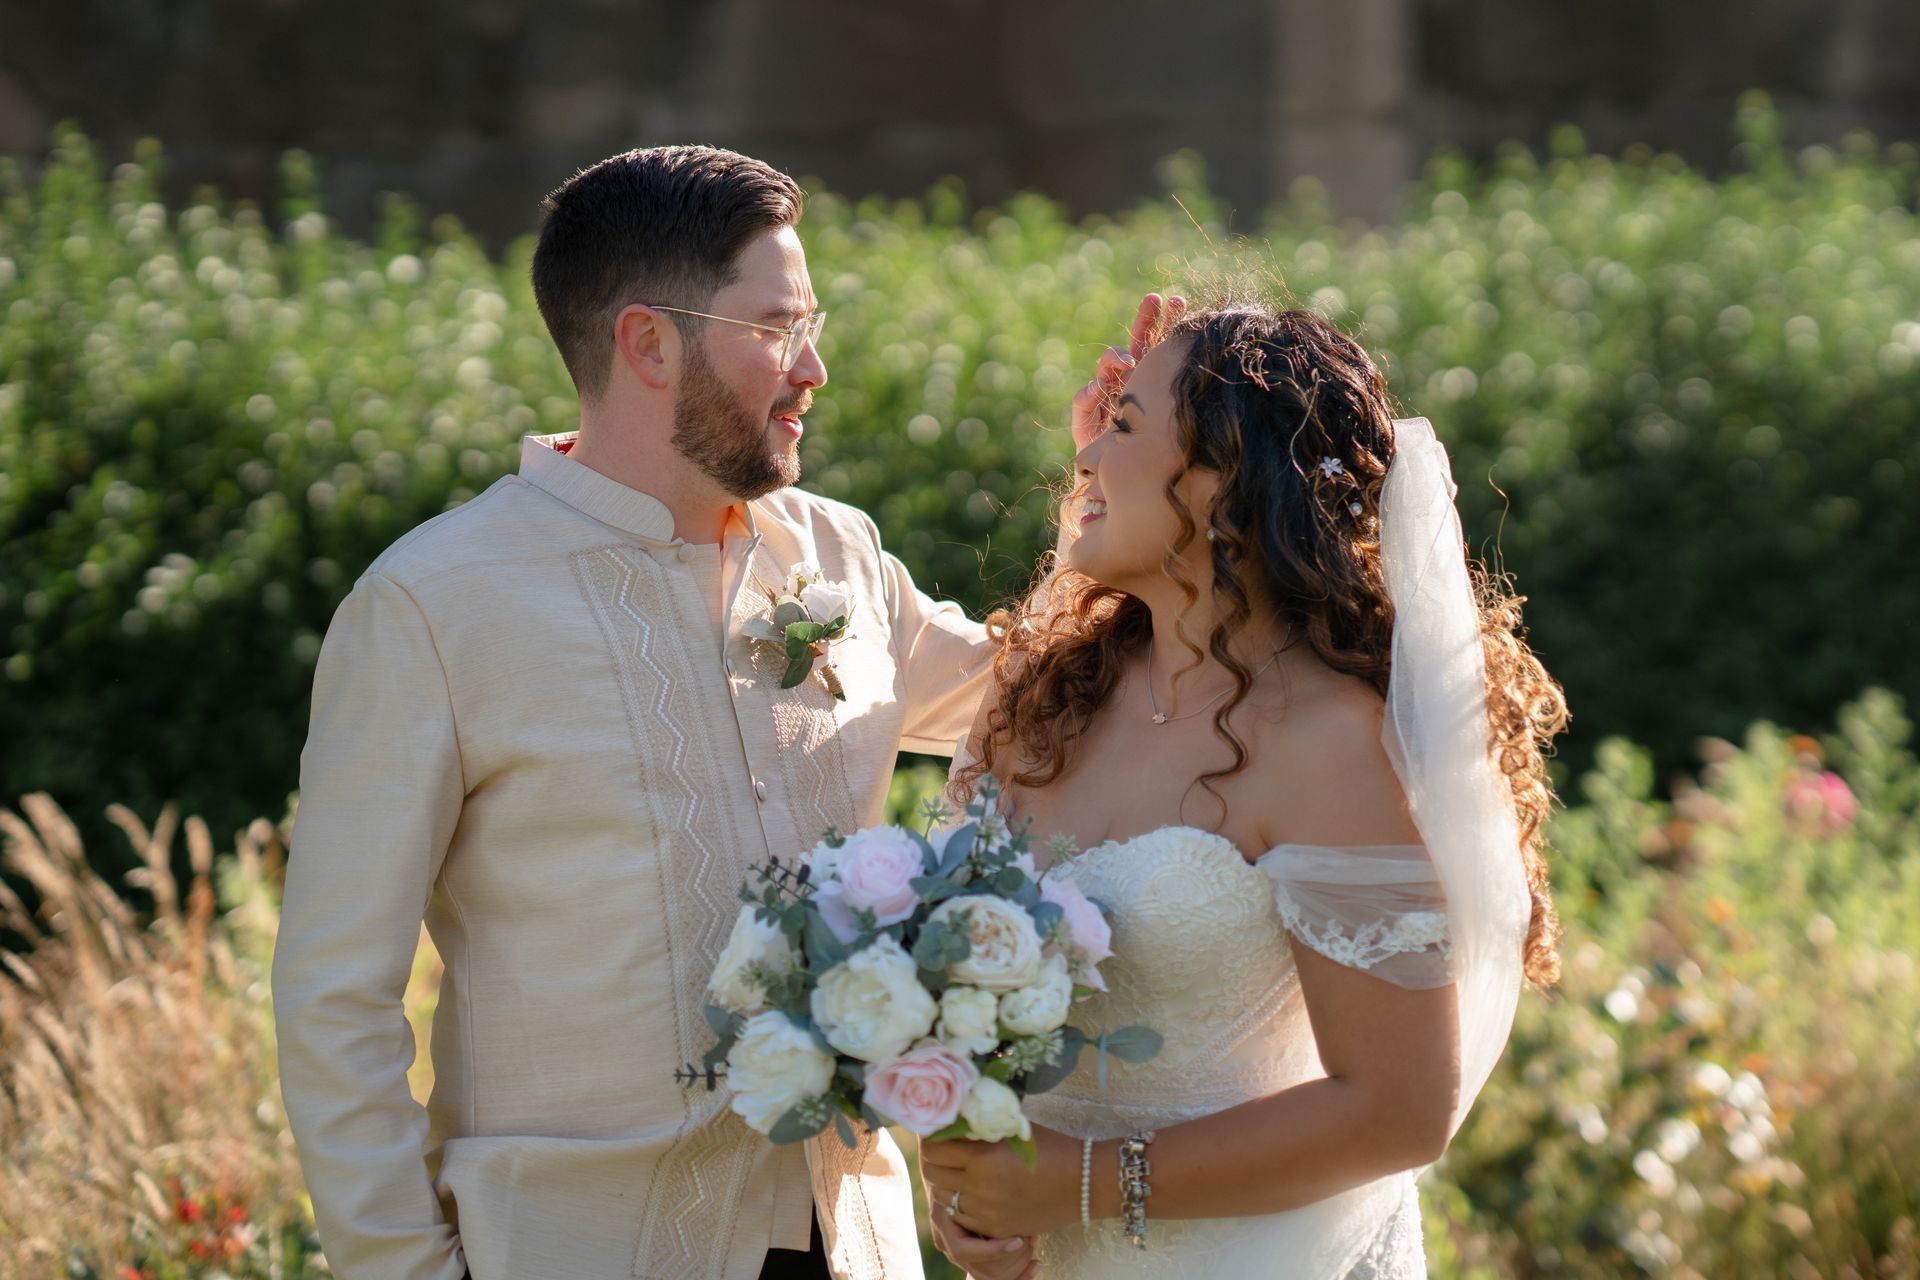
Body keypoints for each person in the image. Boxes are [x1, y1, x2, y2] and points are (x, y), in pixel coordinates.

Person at [270, 144, 1002, 1280]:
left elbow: (1049, 692)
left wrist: (1133, 482)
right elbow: (335, 996)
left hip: (853, 1242)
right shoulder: (432, 604)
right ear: (649, 342)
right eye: (777, 328)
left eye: (811, 325)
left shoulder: (842, 552)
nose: (814, 368)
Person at [919, 301, 1569, 1278]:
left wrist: (1085, 1182)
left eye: (1123, 427)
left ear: (1223, 479)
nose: (1084, 457)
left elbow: (1400, 1109)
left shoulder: (1327, 744)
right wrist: (973, 1189)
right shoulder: (1043, 699)